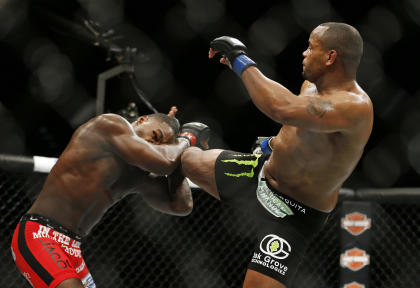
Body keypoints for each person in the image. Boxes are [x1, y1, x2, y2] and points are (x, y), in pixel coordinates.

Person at [180, 22, 373, 288]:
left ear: (330, 57)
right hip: (260, 174)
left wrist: (240, 60)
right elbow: (299, 126)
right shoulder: (311, 86)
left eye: (311, 47)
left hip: (293, 211)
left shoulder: (354, 106)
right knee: (187, 160)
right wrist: (273, 144)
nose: (304, 53)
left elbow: (281, 108)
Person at [10, 106, 210, 288]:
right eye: (155, 136)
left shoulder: (140, 175)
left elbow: (181, 206)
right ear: (141, 120)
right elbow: (165, 160)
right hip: (39, 234)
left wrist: (180, 160)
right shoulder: (109, 125)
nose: (153, 145)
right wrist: (187, 138)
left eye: (161, 145)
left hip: (72, 248)